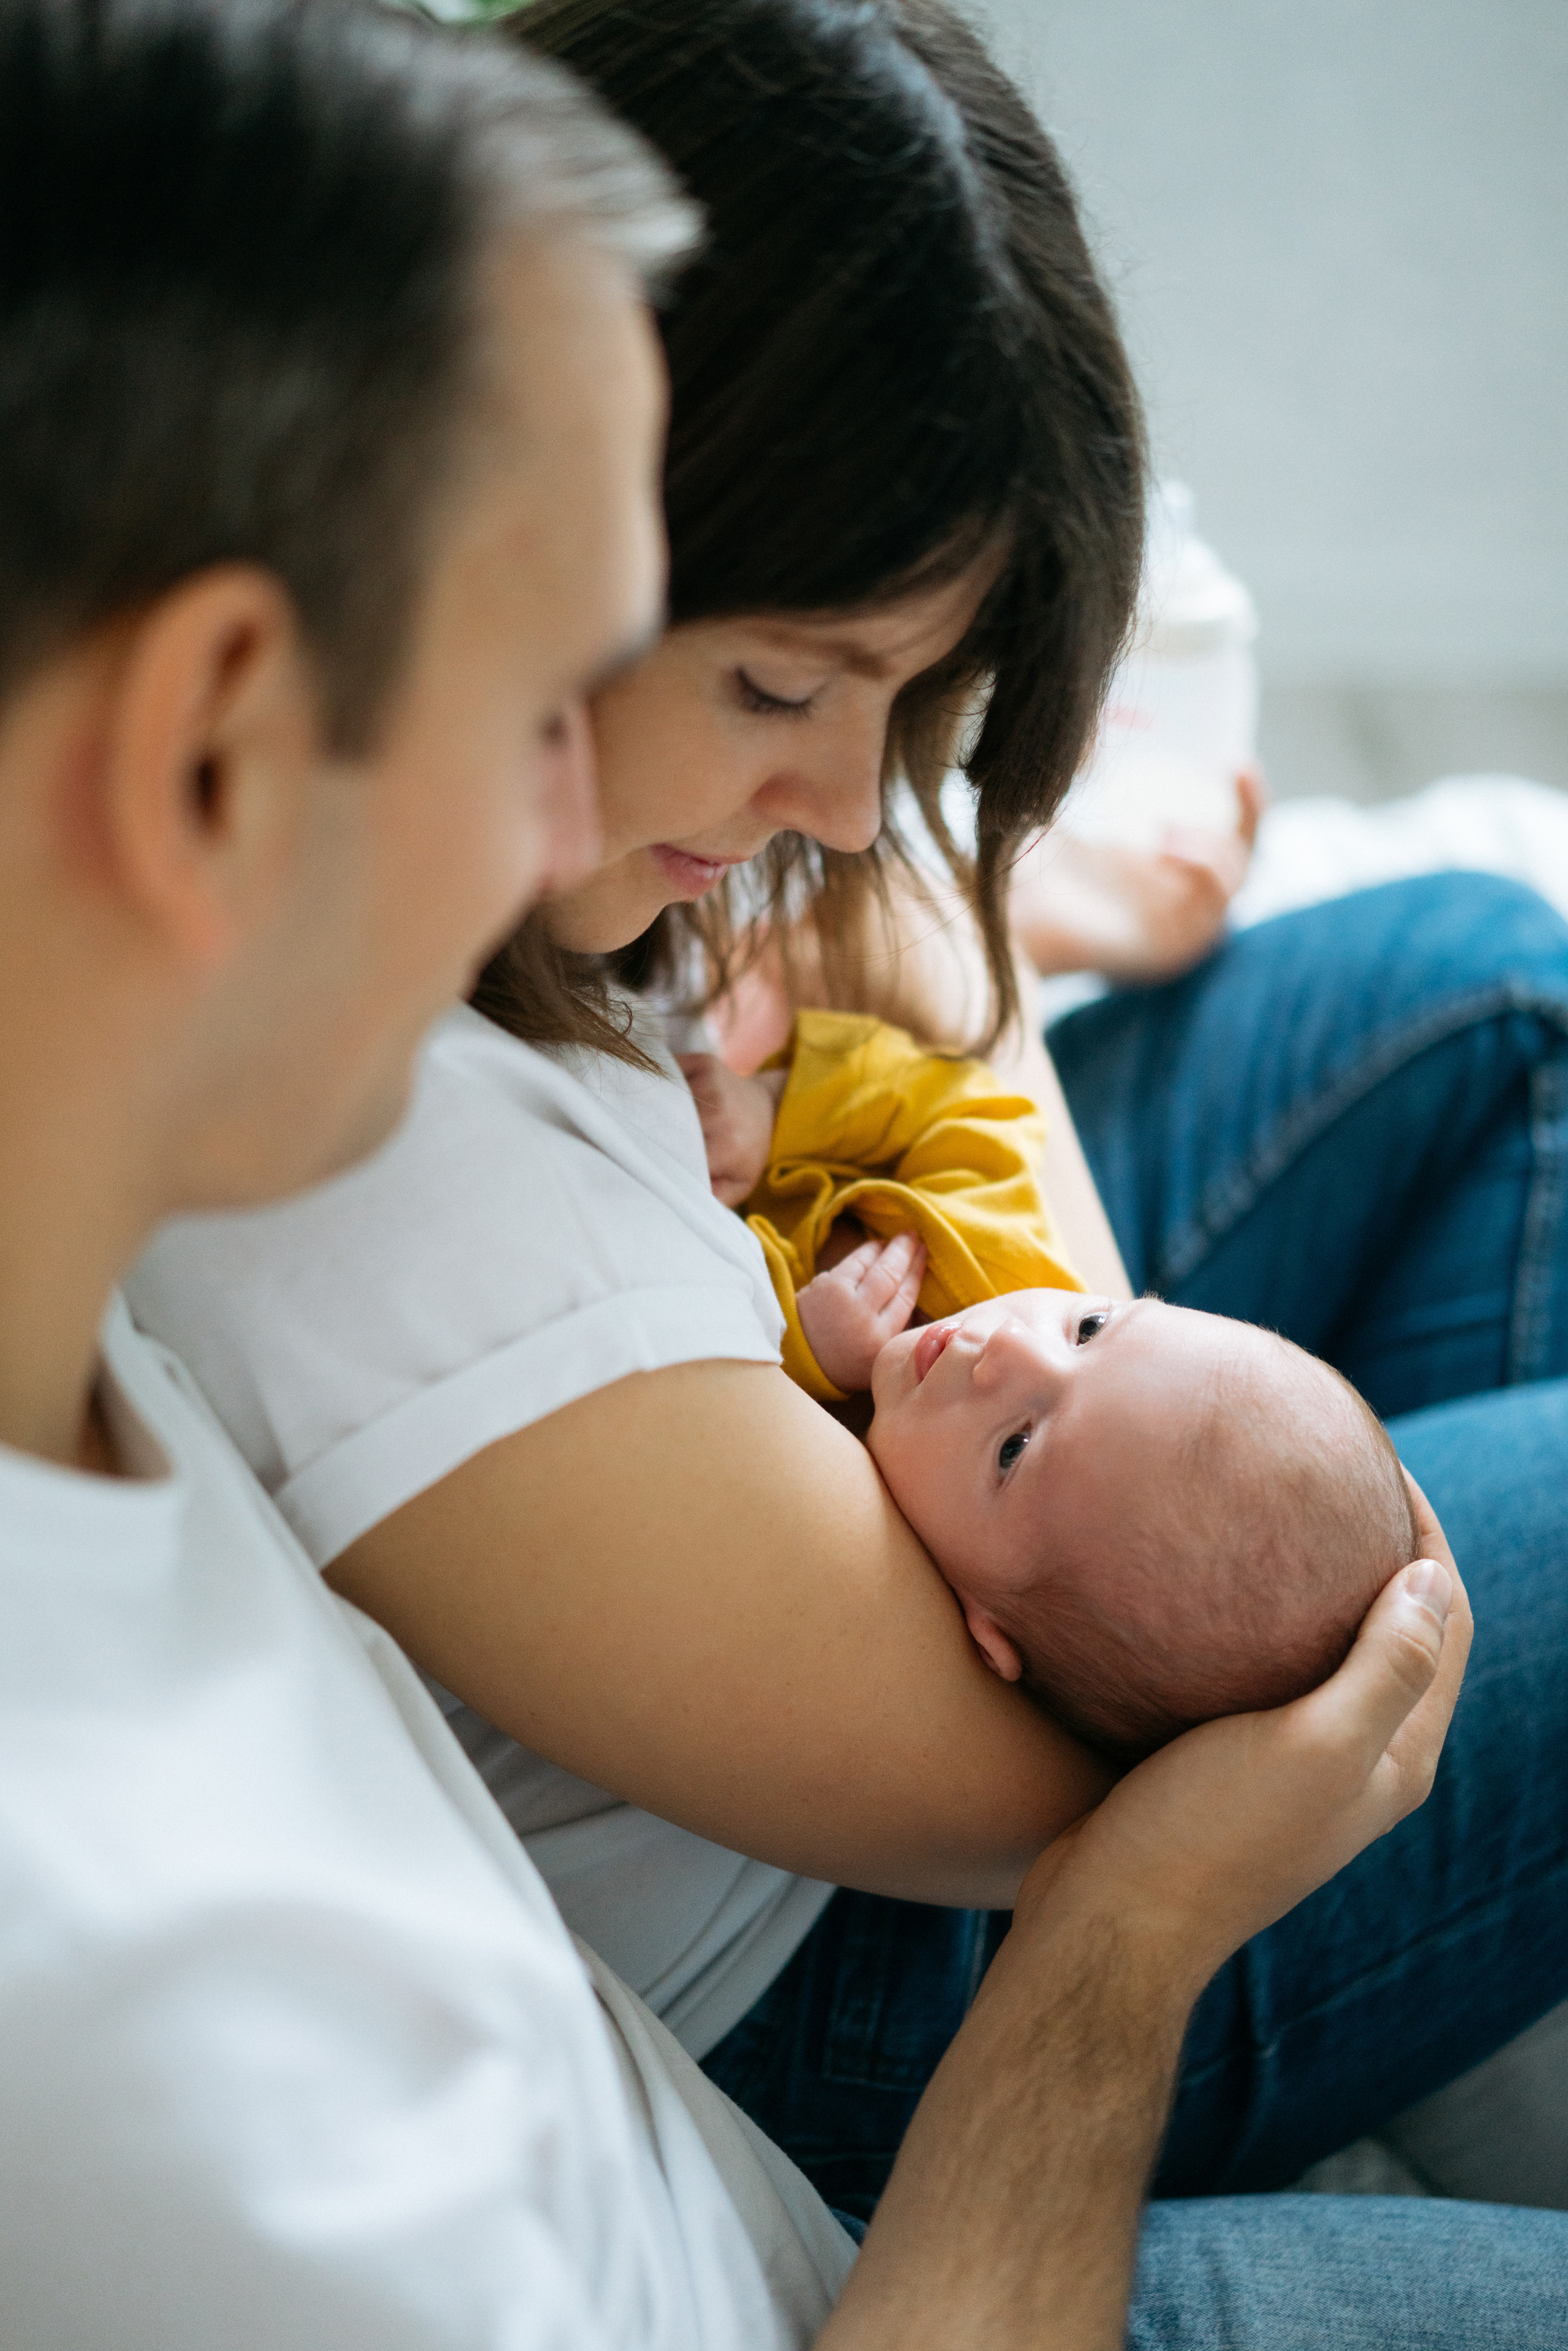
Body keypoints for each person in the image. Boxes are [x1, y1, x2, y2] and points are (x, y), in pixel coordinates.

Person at [121, 0, 1568, 2309]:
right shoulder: (392, 1190)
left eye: (909, 703)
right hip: (849, 1970)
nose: (841, 799)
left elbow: (910, 1000)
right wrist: (957, 999)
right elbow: (1090, 1713)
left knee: (1496, 996)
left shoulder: (543, 862)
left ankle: (1449, 1988)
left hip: (872, 1366)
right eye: (788, 689)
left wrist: (928, 948)